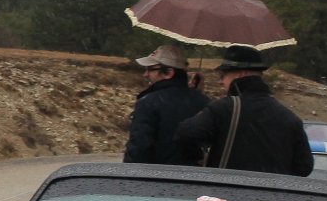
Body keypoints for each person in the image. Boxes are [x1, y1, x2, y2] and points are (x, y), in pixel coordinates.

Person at [172, 45, 313, 176]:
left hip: (226, 190)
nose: (221, 81)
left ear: (241, 73)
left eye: (223, 75)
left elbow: (185, 134)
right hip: (271, 194)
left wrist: (200, 161)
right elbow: (304, 167)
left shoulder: (223, 109)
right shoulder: (289, 117)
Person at [123, 43, 208, 165]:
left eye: (150, 69)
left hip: (158, 174)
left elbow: (138, 149)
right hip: (196, 175)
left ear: (168, 72)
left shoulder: (148, 103)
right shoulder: (206, 102)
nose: (145, 74)